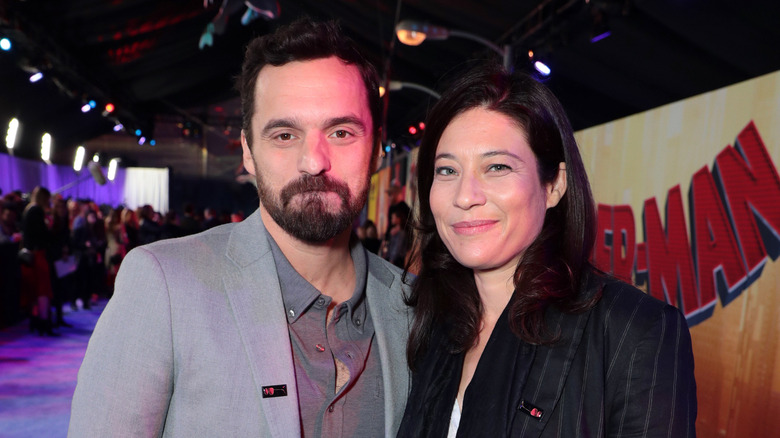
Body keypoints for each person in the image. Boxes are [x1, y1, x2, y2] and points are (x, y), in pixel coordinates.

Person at [69, 18, 412, 437]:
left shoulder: (414, 306)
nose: (313, 161)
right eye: (285, 135)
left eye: (341, 132)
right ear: (248, 153)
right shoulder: (163, 286)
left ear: (376, 150)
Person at [397, 63, 697, 437]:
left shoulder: (635, 332)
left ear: (554, 185)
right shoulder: (427, 322)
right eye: (447, 171)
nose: (465, 196)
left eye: (497, 166)